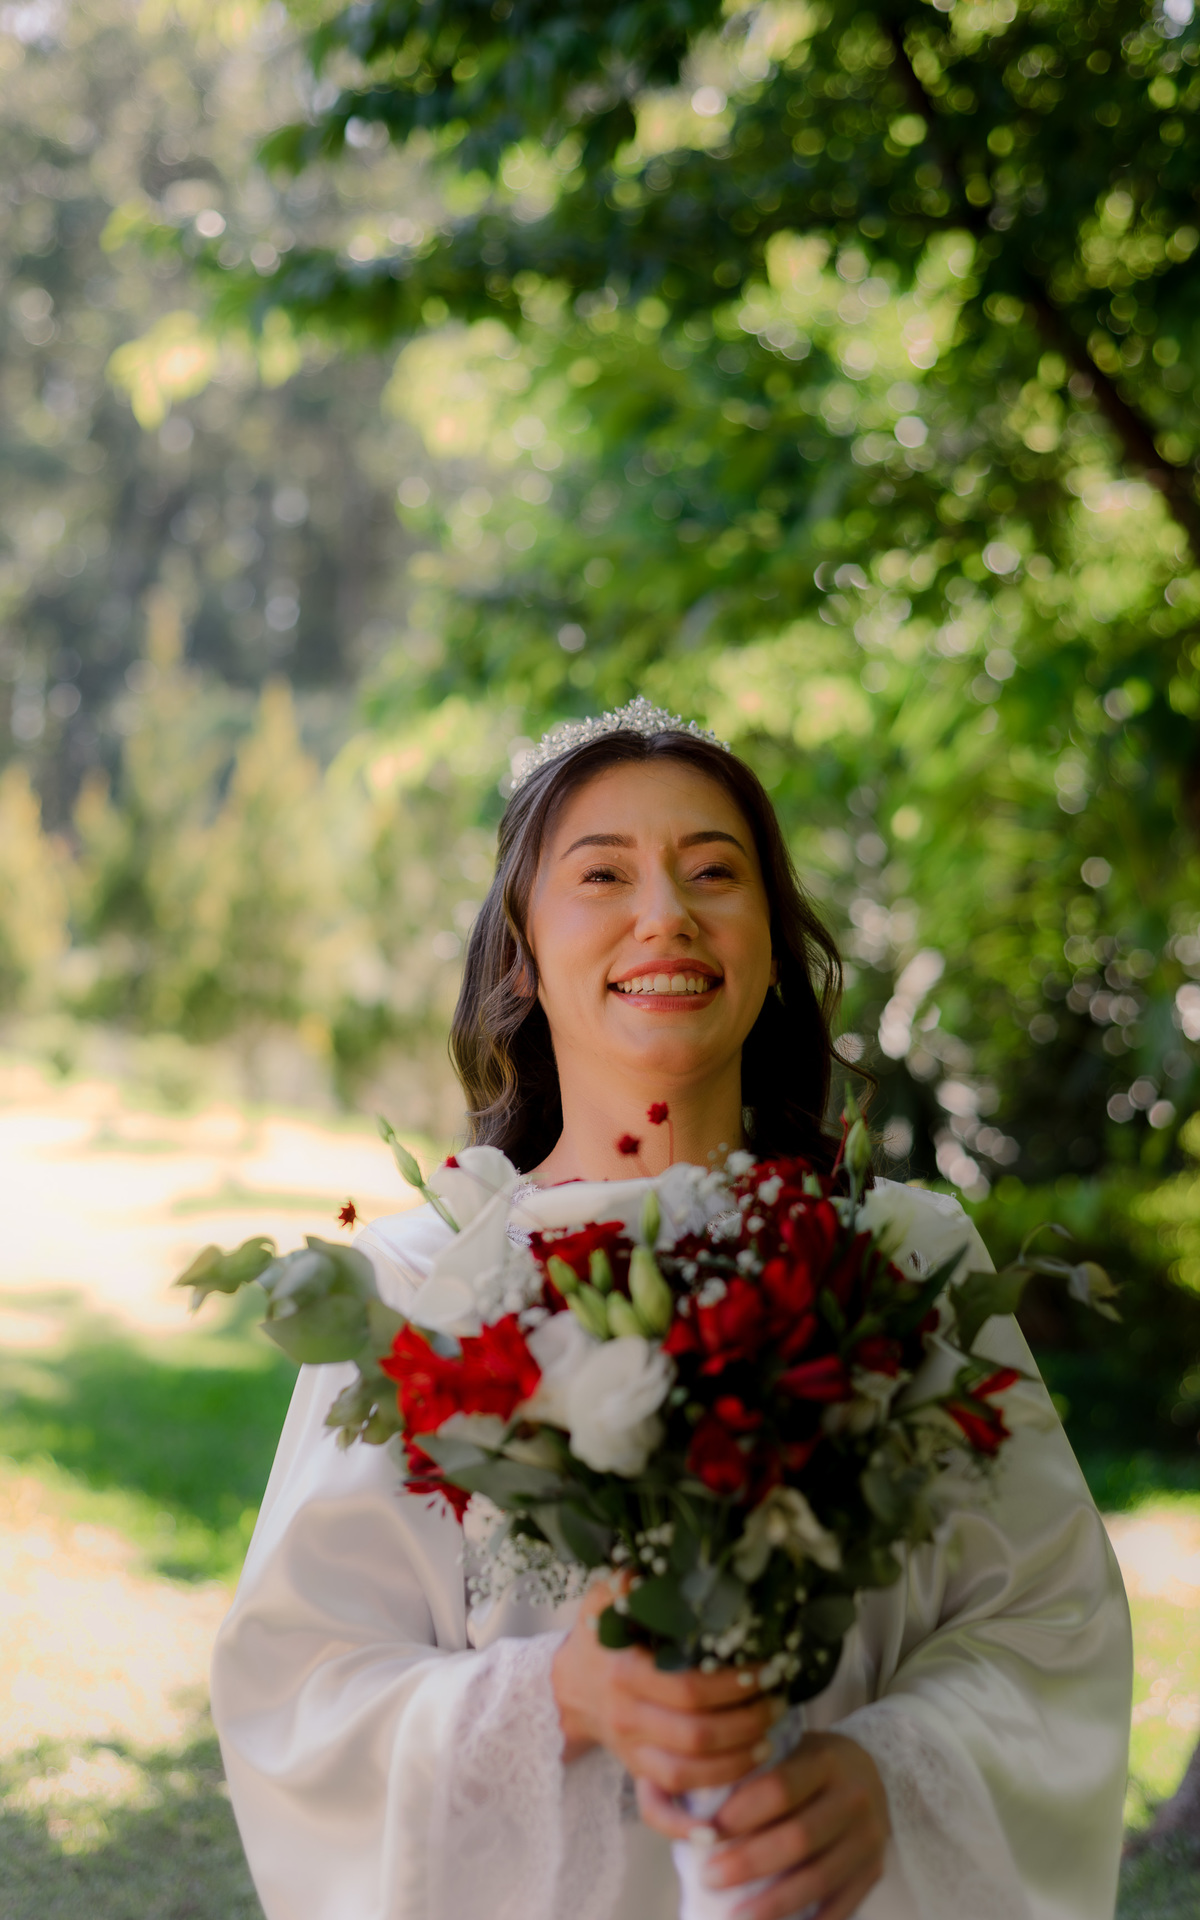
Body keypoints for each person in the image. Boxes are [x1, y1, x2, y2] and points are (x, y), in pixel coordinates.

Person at [211, 700, 1132, 1920]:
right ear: (522, 952)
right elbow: (299, 1694)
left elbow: (1049, 1623)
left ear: (772, 947)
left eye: (714, 873)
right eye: (603, 875)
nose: (666, 916)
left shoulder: (907, 1262)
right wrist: (555, 1699)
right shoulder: (412, 1288)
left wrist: (897, 1774)